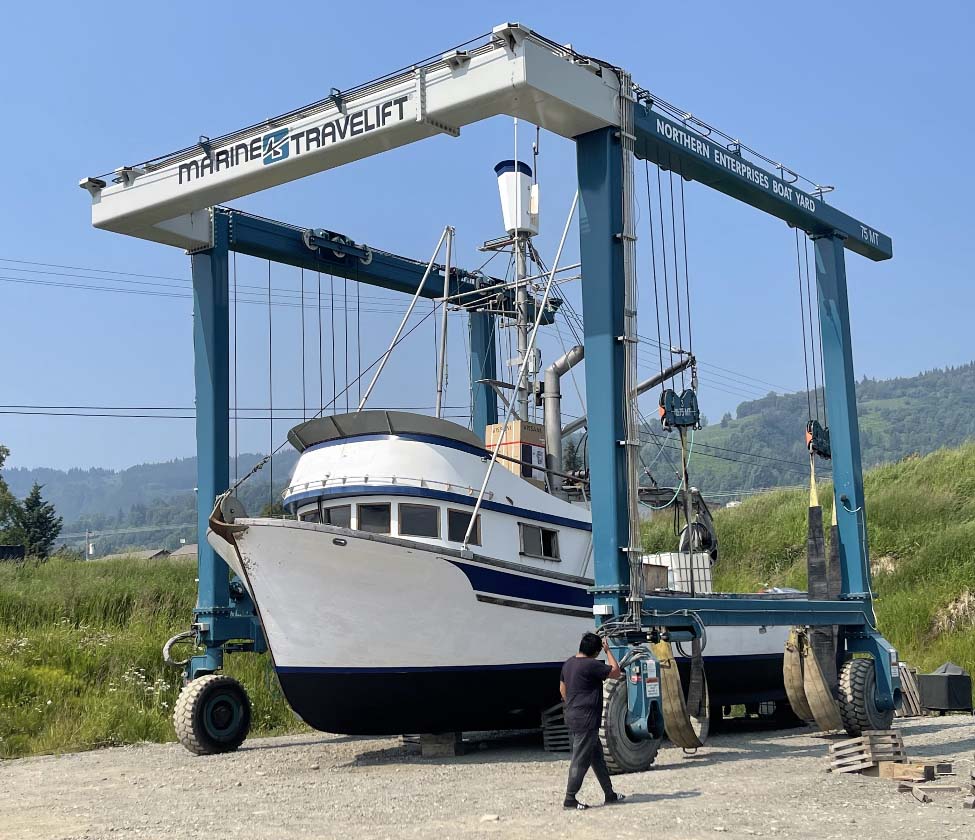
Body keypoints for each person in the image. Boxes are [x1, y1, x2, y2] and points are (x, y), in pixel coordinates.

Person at [559, 631, 625, 810]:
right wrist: (608, 651)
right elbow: (616, 672)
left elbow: (562, 689)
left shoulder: (569, 664)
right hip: (586, 721)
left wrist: (573, 705)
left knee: (598, 758)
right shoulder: (591, 665)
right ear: (596, 651)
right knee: (579, 760)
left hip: (574, 717)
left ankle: (609, 794)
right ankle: (570, 799)